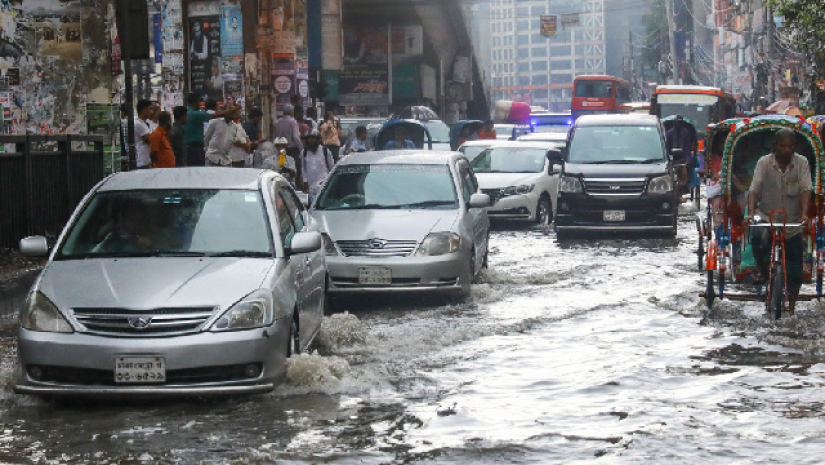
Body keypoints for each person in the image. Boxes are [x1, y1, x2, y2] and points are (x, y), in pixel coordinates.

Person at [746, 128, 812, 314]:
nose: (786, 150)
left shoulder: (802, 163)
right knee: (757, 237)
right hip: (767, 217)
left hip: (792, 221)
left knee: (795, 269)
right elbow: (754, 190)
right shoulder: (763, 163)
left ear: (795, 147)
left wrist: (804, 215)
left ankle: (791, 305)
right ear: (775, 146)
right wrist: (751, 213)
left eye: (790, 146)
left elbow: (806, 189)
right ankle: (763, 270)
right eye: (782, 146)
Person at [183, 93, 237, 167]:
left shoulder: (187, 113)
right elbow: (215, 116)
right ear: (195, 102)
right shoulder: (195, 114)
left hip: (191, 148)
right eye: (199, 102)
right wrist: (232, 110)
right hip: (196, 149)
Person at [300, 129, 335, 200]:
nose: (310, 141)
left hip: (323, 183)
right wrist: (305, 181)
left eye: (312, 139)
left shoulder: (325, 151)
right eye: (309, 139)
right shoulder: (304, 153)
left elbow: (332, 167)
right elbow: (303, 168)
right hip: (311, 185)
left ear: (317, 139)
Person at [273, 104, 304, 180]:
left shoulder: (278, 122)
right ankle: (294, 183)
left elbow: (275, 135)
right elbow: (296, 137)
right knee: (294, 167)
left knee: (282, 165)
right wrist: (302, 148)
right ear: (291, 112)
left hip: (281, 148)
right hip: (292, 149)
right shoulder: (293, 122)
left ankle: (282, 180)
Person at [665, 115, 697, 190]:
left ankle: (684, 185)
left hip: (683, 156)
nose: (679, 124)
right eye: (677, 122)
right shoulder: (669, 133)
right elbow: (666, 146)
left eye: (680, 122)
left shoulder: (685, 132)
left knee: (685, 167)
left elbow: (687, 147)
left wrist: (687, 158)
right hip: (671, 156)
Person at [133, 99, 153, 169]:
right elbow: (150, 140)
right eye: (150, 109)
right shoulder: (139, 124)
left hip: (145, 160)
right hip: (141, 161)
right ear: (143, 110)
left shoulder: (143, 122)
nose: (152, 112)